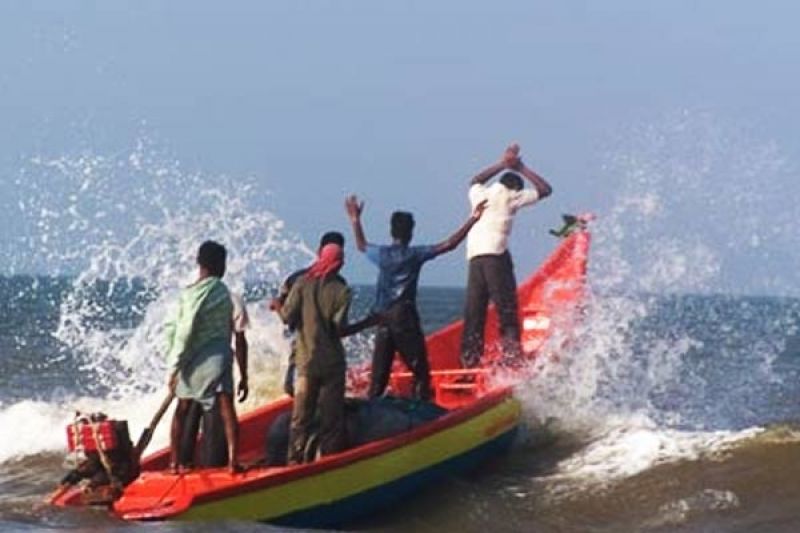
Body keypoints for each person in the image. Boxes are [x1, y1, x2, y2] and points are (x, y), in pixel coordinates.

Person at [345, 194, 488, 400]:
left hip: (383, 319)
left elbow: (361, 245)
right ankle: (420, 414)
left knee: (378, 378)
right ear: (410, 232)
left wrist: (355, 219)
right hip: (404, 319)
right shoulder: (415, 255)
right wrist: (473, 218)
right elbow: (449, 244)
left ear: (392, 231)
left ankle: (372, 416)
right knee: (420, 372)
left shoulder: (382, 254)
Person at [273, 243, 375, 464]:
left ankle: (294, 462)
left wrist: (276, 306)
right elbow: (340, 330)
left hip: (305, 363)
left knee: (300, 419)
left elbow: (287, 318)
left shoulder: (301, 284)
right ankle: (328, 461)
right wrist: (368, 322)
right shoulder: (342, 291)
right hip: (332, 365)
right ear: (338, 263)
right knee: (332, 421)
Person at [460, 143, 553, 368]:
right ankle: (511, 361)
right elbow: (545, 190)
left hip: (474, 259)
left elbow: (475, 180)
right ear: (515, 189)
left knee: (475, 312)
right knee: (506, 309)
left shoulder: (480, 194)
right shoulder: (511, 196)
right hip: (494, 257)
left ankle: (469, 362)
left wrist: (502, 164)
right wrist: (521, 168)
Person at [165, 241, 248, 474]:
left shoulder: (187, 296)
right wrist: (244, 376)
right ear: (221, 265)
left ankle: (174, 463)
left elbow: (176, 331)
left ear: (199, 264)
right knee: (226, 407)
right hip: (218, 359)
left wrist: (174, 366)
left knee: (181, 408)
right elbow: (240, 341)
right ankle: (233, 462)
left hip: (190, 359)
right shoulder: (231, 297)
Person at [270, 231, 346, 397]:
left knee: (297, 383)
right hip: (326, 353)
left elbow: (284, 308)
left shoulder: (298, 278)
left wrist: (276, 306)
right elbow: (339, 327)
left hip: (302, 343)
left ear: (319, 251)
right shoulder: (340, 286)